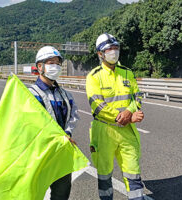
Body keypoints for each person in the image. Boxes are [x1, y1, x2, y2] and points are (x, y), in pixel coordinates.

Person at [86, 33, 145, 200]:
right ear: (100, 53)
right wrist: (124, 116)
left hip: (127, 132)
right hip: (104, 132)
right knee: (105, 176)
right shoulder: (94, 76)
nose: (114, 52)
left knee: (133, 174)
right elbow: (97, 104)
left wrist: (129, 112)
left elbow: (137, 96)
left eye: (116, 48)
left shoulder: (127, 73)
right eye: (109, 49)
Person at [29, 46, 79, 200]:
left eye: (58, 64)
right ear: (40, 66)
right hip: (39, 155)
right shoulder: (30, 94)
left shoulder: (65, 94)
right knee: (33, 194)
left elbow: (73, 116)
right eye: (51, 63)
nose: (55, 67)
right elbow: (29, 125)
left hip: (61, 154)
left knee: (61, 194)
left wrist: (67, 133)